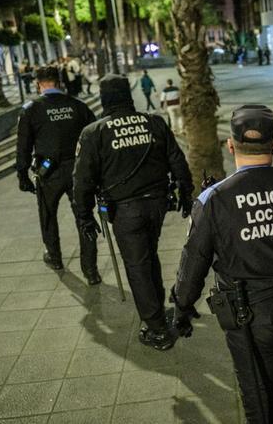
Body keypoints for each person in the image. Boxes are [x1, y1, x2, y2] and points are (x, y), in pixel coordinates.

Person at [171, 104, 273, 423]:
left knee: (255, 394)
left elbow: (194, 261)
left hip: (250, 315)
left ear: (230, 145)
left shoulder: (214, 199)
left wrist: (182, 306)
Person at [72, 74, 194, 350]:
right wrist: (185, 194)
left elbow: (82, 181)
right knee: (148, 256)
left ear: (104, 99)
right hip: (157, 205)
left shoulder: (94, 132)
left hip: (126, 210)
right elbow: (178, 161)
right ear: (128, 94)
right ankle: (157, 310)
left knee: (137, 266)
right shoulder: (154, 122)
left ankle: (156, 328)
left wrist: (83, 215)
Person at [15, 66, 99, 281]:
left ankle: (55, 256)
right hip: (78, 172)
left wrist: (22, 175)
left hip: (48, 172)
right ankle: (90, 271)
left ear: (38, 83)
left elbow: (23, 146)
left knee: (48, 215)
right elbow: (95, 139)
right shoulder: (78, 106)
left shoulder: (31, 109)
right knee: (84, 217)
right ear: (59, 82)